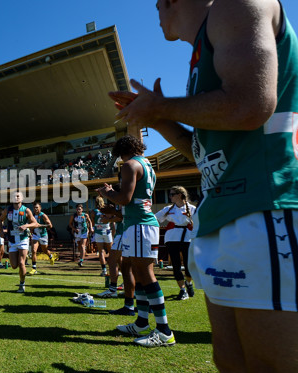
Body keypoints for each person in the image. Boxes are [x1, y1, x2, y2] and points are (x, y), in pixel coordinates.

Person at [109, 0, 298, 366]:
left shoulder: (237, 5)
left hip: (265, 208)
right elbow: (202, 150)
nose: (156, 12)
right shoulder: (203, 46)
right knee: (231, 362)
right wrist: (159, 117)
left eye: (157, 5)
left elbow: (250, 104)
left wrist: (162, 109)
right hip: (225, 217)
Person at [98, 135, 174, 347]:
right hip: (137, 224)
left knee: (146, 274)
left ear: (122, 151)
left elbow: (125, 199)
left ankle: (164, 331)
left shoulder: (129, 165)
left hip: (141, 224)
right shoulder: (146, 163)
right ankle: (141, 323)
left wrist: (108, 192)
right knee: (139, 274)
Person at [155, 186, 196, 301]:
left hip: (187, 237)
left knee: (188, 266)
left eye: (172, 194)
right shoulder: (168, 209)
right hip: (172, 237)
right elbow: (154, 218)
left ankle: (189, 283)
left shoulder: (192, 208)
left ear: (180, 195)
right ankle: (183, 290)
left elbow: (199, 222)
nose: (170, 196)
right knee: (176, 265)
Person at [0, 191, 39, 293]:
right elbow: (0, 220)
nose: (16, 198)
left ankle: (22, 284)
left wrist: (26, 226)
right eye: (14, 196)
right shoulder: (8, 210)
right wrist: (1, 232)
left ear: (21, 198)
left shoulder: (26, 210)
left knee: (21, 263)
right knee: (13, 266)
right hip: (12, 240)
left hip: (23, 239)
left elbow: (35, 223)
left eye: (18, 196)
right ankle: (21, 278)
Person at [30, 201, 55, 274]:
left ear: (40, 208)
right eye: (34, 208)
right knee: (34, 251)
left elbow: (50, 225)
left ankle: (50, 256)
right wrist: (31, 231)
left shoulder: (43, 215)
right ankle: (34, 268)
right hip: (35, 235)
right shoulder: (32, 215)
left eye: (37, 207)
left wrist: (40, 225)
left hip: (43, 235)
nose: (35, 209)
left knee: (44, 250)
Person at [91, 196, 113, 276]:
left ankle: (104, 270)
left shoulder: (93, 211)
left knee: (101, 251)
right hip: (107, 231)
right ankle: (114, 268)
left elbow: (93, 223)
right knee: (111, 251)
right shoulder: (106, 210)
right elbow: (111, 219)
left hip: (98, 232)